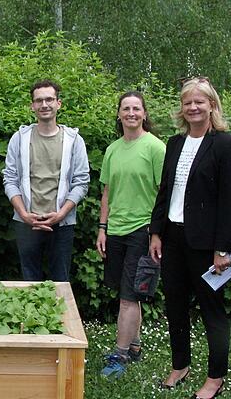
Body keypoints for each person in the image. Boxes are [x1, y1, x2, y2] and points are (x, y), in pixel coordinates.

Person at [149, 77, 231, 399]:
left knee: (212, 311)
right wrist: (156, 232)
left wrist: (223, 250)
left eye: (199, 101)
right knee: (175, 306)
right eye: (187, 102)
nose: (193, 107)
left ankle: (216, 377)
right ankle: (180, 364)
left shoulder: (225, 145)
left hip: (207, 246)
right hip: (172, 237)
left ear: (212, 105)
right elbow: (165, 192)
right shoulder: (175, 144)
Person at [95, 91, 165, 377]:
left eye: (137, 108)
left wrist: (157, 234)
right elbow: (107, 192)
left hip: (143, 230)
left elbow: (164, 194)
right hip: (116, 230)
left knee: (129, 296)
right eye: (126, 108)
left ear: (145, 114)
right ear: (119, 114)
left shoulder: (155, 148)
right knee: (125, 293)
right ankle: (134, 345)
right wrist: (102, 228)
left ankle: (120, 356)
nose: (131, 113)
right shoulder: (113, 149)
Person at [3, 79, 89, 281]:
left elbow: (81, 181)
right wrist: (24, 214)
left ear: (59, 103)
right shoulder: (20, 138)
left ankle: (61, 315)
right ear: (32, 105)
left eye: (49, 99)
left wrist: (61, 214)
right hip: (26, 222)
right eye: (39, 100)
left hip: (62, 222)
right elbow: (10, 178)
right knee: (29, 281)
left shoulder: (74, 140)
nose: (44, 105)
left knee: (61, 281)